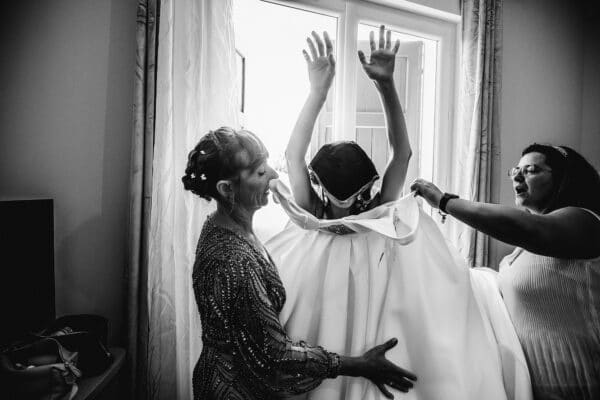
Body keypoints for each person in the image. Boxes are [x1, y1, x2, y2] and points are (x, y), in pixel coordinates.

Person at [265, 28, 530, 400]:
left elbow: (400, 154)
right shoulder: (315, 209)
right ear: (320, 184)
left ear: (367, 188)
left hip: (373, 302)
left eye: (354, 195)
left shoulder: (371, 210)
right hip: (321, 298)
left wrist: (385, 86)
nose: (345, 204)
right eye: (338, 194)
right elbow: (297, 155)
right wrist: (318, 92)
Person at [182, 127, 416, 400]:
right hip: (235, 391)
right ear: (226, 189)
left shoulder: (224, 225)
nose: (272, 175)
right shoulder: (234, 260)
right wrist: (359, 365)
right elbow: (275, 355)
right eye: (260, 172)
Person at [411, 143, 600, 400]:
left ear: (564, 178)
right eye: (515, 171)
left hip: (582, 381)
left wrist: (445, 202)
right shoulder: (518, 254)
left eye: (531, 170)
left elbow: (528, 229)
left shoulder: (586, 222)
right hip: (534, 386)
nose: (518, 177)